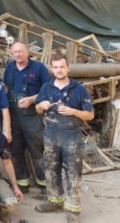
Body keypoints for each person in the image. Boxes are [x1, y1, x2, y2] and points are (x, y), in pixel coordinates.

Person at [34, 54, 94, 223]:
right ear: (52, 69)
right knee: (50, 170)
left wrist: (74, 112)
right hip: (50, 136)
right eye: (55, 67)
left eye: (62, 67)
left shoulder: (79, 89)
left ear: (68, 68)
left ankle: (73, 209)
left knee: (73, 173)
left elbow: (90, 115)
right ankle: (54, 201)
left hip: (71, 138)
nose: (59, 70)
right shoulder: (46, 87)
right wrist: (41, 105)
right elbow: (38, 110)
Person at [2, 42, 50, 193]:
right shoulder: (10, 67)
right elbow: (6, 87)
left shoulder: (39, 68)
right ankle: (23, 183)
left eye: (20, 51)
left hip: (32, 117)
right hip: (13, 116)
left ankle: (44, 185)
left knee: (37, 150)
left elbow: (48, 90)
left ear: (27, 52)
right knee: (16, 150)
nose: (18, 54)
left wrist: (32, 99)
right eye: (15, 52)